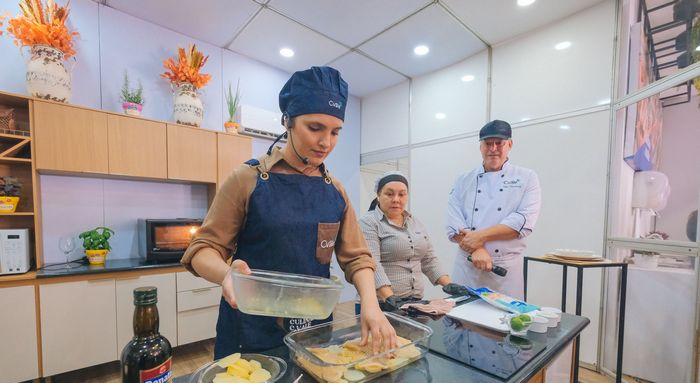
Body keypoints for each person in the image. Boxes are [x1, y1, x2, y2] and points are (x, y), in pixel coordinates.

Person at [181, 66, 397, 359]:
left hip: (313, 330)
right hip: (250, 328)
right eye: (315, 128)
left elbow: (357, 258)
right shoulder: (247, 179)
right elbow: (202, 250)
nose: (326, 142)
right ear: (288, 121)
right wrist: (227, 275)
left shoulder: (335, 191)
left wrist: (371, 305)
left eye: (335, 132)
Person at [446, 119, 541, 299]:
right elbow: (454, 223)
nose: (493, 148)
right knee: (461, 315)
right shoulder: (463, 180)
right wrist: (476, 249)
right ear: (480, 147)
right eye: (488, 144)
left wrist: (479, 237)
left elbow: (522, 222)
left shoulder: (526, 177)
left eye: (499, 143)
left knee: (505, 316)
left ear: (510, 144)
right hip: (467, 266)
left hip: (504, 270)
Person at [360, 171, 455, 310]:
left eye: (402, 194)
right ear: (378, 195)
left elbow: (429, 259)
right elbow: (372, 264)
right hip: (381, 303)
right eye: (389, 194)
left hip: (414, 301)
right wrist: (389, 297)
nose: (396, 199)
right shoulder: (368, 222)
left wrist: (449, 284)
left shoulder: (415, 222)